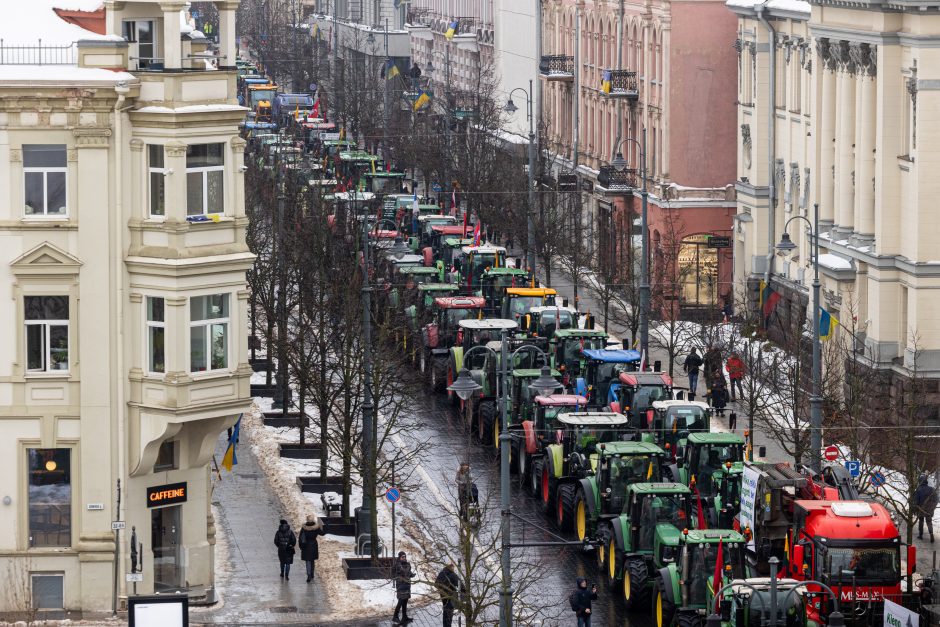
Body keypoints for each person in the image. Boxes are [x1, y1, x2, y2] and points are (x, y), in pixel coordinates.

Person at [298, 514, 326, 582]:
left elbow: (300, 537)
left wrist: (301, 546)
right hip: (313, 545)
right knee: (312, 560)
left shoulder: (304, 528)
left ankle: (309, 575)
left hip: (306, 546)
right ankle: (312, 574)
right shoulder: (316, 528)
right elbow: (322, 533)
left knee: (308, 561)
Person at [435, 563, 462, 627]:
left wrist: (442, 589)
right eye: (453, 568)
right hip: (451, 596)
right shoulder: (453, 575)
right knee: (449, 613)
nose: (453, 569)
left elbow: (436, 584)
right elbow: (461, 585)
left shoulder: (441, 573)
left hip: (443, 596)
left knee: (445, 612)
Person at [393, 551, 415, 624]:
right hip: (401, 585)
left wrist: (412, 575)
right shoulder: (397, 565)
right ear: (399, 557)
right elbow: (401, 572)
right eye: (402, 557)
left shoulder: (407, 564)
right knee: (401, 601)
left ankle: (404, 617)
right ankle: (395, 616)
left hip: (407, 585)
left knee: (405, 601)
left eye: (405, 556)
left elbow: (408, 573)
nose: (404, 558)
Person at [915, 475, 938, 542]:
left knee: (921, 521)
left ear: (920, 481)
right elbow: (936, 499)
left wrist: (916, 507)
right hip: (929, 510)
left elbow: (916, 501)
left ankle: (920, 535)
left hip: (921, 509)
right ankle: (931, 534)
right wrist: (932, 507)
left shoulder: (918, 489)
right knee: (929, 521)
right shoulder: (931, 489)